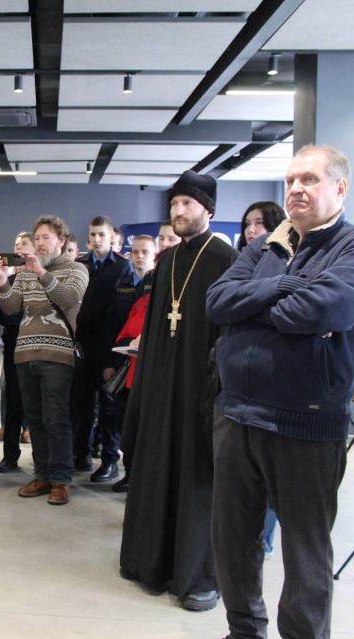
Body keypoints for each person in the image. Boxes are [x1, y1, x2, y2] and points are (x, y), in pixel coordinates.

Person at [207, 145, 354, 639]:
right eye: (290, 181)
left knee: (304, 552)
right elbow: (217, 301)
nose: (296, 189)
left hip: (304, 423)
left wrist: (252, 307)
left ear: (339, 188)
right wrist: (282, 288)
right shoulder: (269, 246)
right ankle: (244, 630)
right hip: (236, 415)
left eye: (309, 179)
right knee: (232, 540)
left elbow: (321, 310)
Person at [118, 170, 238, 611]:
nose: (179, 211)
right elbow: (156, 326)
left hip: (199, 390)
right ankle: (148, 561)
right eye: (174, 204)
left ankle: (198, 576)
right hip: (161, 385)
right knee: (156, 467)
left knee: (195, 478)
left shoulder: (225, 259)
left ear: (208, 209)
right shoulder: (166, 261)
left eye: (187, 204)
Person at [0, 215, 88, 506]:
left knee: (56, 419)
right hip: (25, 354)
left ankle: (61, 479)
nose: (40, 243)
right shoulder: (24, 274)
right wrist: (2, 280)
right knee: (35, 419)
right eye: (37, 238)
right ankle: (43, 474)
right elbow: (11, 308)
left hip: (57, 355)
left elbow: (69, 299)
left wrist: (41, 272)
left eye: (46, 237)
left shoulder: (76, 269)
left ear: (61, 241)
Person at [235, 200, 288, 558]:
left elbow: (292, 310)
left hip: (275, 382)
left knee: (272, 475)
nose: (252, 230)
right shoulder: (241, 260)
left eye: (260, 223)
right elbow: (220, 304)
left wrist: (247, 304)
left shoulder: (288, 259)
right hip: (238, 382)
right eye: (247, 224)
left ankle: (263, 540)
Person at [92, 234, 157, 488]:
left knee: (142, 421)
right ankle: (112, 462)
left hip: (148, 367)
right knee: (112, 414)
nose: (139, 256)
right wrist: (108, 363)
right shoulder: (123, 283)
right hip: (121, 362)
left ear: (154, 255)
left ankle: (139, 475)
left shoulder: (159, 285)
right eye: (135, 252)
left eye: (145, 252)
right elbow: (110, 326)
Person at [72, 216, 132, 474]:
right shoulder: (80, 265)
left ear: (112, 238)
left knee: (108, 406)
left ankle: (109, 460)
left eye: (101, 235)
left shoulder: (123, 267)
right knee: (81, 403)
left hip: (108, 347)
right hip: (83, 345)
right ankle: (82, 454)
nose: (97, 240)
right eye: (93, 235)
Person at [0, 232, 33, 472]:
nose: (19, 250)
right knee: (13, 402)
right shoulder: (9, 280)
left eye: (24, 245)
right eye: (17, 246)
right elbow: (5, 316)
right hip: (13, 348)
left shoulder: (43, 278)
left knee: (37, 405)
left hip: (37, 349)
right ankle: (10, 456)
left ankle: (41, 458)